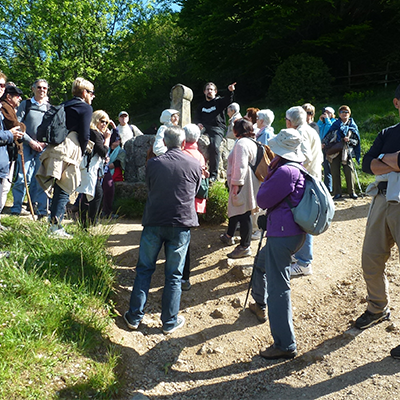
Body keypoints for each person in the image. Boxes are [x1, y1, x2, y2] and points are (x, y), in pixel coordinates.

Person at [123, 126, 201, 334]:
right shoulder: (194, 163)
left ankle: (134, 316)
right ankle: (169, 322)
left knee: (144, 269)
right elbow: (195, 189)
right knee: (174, 275)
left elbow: (150, 187)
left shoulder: (153, 164)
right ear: (184, 143)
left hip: (154, 220)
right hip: (181, 222)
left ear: (164, 143)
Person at [249, 128, 306, 360]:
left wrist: (269, 174)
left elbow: (262, 198)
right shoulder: (297, 168)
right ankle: (259, 303)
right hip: (290, 232)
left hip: (282, 235)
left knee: (279, 289)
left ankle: (285, 344)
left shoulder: (285, 171)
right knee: (260, 263)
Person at [354, 84, 400, 359]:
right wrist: (394, 160)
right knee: (370, 258)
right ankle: (377, 306)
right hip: (382, 200)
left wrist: (385, 161)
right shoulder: (387, 133)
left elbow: (376, 163)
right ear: (397, 103)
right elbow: (366, 163)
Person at [36, 77, 94, 238]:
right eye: (91, 92)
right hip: (70, 148)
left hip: (54, 148)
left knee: (58, 188)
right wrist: (82, 152)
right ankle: (55, 228)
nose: (93, 96)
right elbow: (84, 133)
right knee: (65, 187)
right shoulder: (85, 107)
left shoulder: (65, 104)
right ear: (84, 93)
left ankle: (53, 224)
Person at [285, 106, 323, 276]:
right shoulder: (309, 129)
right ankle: (299, 256)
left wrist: (293, 168)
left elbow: (305, 156)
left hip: (307, 181)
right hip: (313, 178)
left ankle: (304, 263)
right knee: (302, 219)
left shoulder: (301, 132)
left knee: (304, 219)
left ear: (290, 120)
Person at [219, 118, 260, 259]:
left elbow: (240, 166)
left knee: (244, 214)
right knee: (241, 212)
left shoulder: (241, 143)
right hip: (250, 182)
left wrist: (236, 185)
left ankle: (244, 246)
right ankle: (230, 235)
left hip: (243, 183)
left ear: (237, 130)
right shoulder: (252, 142)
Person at [11, 79, 50, 218]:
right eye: (39, 87)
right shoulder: (25, 104)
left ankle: (39, 208)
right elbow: (18, 125)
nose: (42, 90)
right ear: (33, 88)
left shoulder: (49, 108)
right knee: (23, 176)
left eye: (44, 88)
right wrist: (31, 141)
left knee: (40, 178)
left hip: (43, 148)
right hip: (26, 146)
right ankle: (16, 207)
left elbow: (52, 130)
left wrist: (44, 143)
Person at [181, 123, 209, 291]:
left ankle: (179, 274)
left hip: (179, 202)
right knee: (186, 238)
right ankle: (185, 277)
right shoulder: (199, 156)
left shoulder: (180, 154)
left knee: (180, 239)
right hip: (193, 202)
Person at [194, 82, 236, 182]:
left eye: (211, 89)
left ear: (215, 92)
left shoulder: (219, 102)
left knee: (215, 146)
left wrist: (230, 91)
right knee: (191, 138)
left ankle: (213, 174)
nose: (209, 91)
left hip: (217, 128)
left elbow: (227, 100)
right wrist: (198, 124)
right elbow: (196, 118)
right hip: (204, 127)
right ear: (204, 92)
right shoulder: (201, 106)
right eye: (207, 89)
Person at [76, 110, 111, 228]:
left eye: (106, 122)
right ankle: (88, 223)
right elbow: (103, 151)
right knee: (91, 194)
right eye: (102, 121)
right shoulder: (94, 133)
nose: (104, 124)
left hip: (91, 168)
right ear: (96, 120)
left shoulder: (94, 133)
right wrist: (107, 139)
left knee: (93, 194)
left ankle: (88, 223)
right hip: (88, 168)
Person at [0, 72, 24, 225]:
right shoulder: (6, 108)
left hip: (6, 155)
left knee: (4, 188)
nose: (20, 98)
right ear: (9, 97)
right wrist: (10, 134)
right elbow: (17, 127)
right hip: (5, 153)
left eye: (3, 85)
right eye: (16, 95)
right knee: (3, 190)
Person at [323, 105, 360, 200]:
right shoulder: (335, 125)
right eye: (342, 112)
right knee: (335, 171)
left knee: (349, 171)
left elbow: (356, 141)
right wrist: (324, 143)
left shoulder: (353, 126)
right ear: (339, 114)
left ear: (349, 114)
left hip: (347, 151)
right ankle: (337, 193)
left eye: (346, 112)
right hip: (335, 151)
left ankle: (352, 192)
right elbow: (328, 136)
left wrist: (349, 140)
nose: (344, 114)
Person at [102, 130, 126, 218]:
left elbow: (117, 164)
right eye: (116, 139)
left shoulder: (121, 151)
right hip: (103, 171)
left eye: (119, 139)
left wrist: (105, 165)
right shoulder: (106, 149)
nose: (117, 141)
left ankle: (107, 211)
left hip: (115, 174)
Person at [317, 106, 336, 192]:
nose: (326, 114)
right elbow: (317, 129)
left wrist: (327, 119)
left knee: (328, 168)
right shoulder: (323, 123)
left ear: (332, 114)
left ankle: (329, 188)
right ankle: (324, 186)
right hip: (320, 147)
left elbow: (330, 129)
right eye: (325, 112)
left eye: (329, 112)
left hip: (329, 148)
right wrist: (320, 121)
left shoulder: (333, 122)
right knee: (323, 167)